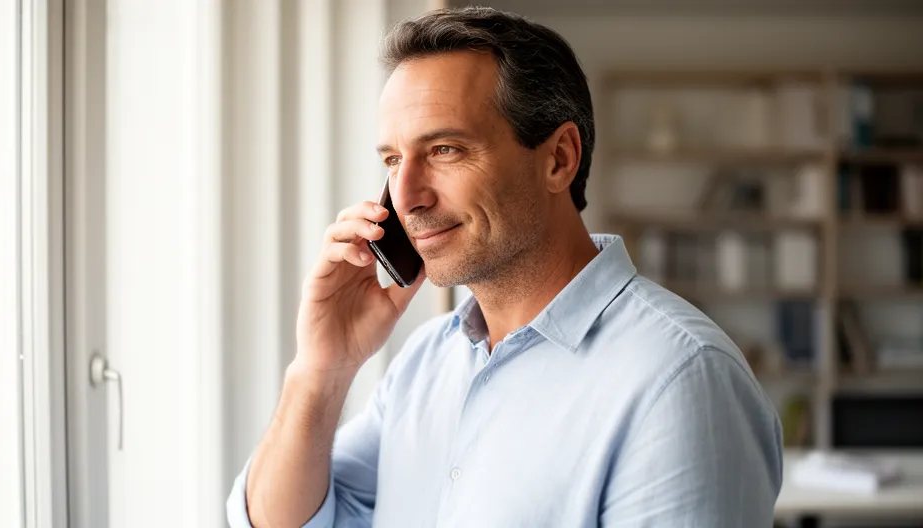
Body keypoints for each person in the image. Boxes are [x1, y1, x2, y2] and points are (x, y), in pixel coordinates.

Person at [227, 6, 782, 527]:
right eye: (394, 160)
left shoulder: (679, 377)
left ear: (559, 159)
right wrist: (321, 371)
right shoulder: (427, 362)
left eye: (445, 150)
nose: (407, 198)